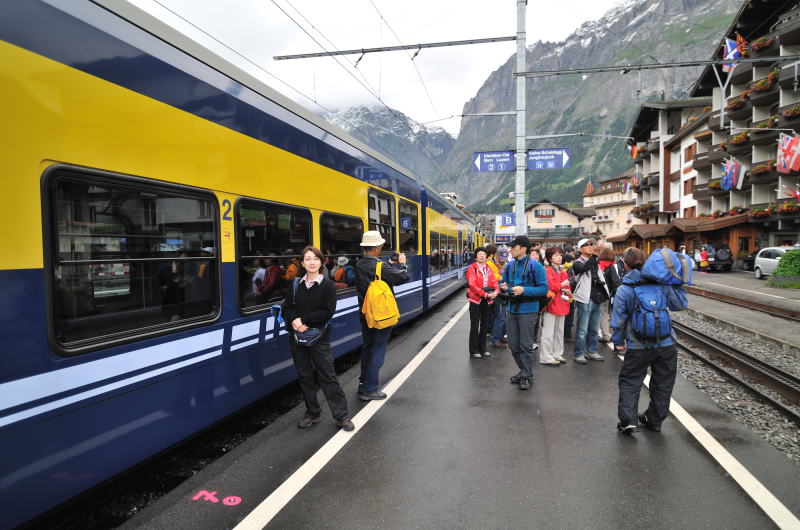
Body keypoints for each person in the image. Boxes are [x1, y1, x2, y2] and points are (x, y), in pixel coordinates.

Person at [612, 247, 688, 434]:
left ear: (625, 264)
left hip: (638, 345)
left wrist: (618, 340)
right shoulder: (662, 284)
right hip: (667, 343)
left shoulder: (625, 289)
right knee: (663, 382)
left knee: (631, 380)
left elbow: (619, 319)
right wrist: (677, 283)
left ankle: (628, 421)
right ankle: (654, 420)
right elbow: (680, 305)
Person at [282, 246, 354, 432]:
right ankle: (312, 413)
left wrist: (303, 320)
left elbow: (327, 312)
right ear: (302, 263)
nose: (312, 262)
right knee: (305, 376)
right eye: (307, 259)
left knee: (327, 375)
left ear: (321, 262)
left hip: (319, 337)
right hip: (297, 336)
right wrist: (295, 323)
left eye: (315, 258)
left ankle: (341, 416)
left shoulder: (328, 285)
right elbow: (288, 307)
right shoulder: (296, 284)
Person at [355, 231, 409, 400]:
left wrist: (389, 263)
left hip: (365, 314)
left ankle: (363, 383)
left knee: (367, 348)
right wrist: (402, 264)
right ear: (378, 247)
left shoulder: (359, 264)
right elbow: (402, 277)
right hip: (380, 315)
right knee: (378, 350)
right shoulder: (379, 266)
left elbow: (378, 270)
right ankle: (370, 389)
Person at [499, 235, 548, 390]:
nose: (510, 250)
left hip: (529, 310)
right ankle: (525, 371)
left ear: (523, 248)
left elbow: (544, 289)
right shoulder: (510, 265)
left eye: (513, 247)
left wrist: (524, 290)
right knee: (513, 345)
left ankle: (526, 375)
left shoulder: (536, 266)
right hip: (512, 308)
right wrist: (504, 286)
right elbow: (502, 282)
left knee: (526, 345)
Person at [571, 238, 610, 364]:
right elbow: (584, 268)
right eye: (586, 245)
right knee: (582, 330)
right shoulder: (577, 262)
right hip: (585, 299)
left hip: (597, 297)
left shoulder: (595, 261)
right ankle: (579, 353)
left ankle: (592, 351)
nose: (590, 246)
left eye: (591, 244)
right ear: (580, 249)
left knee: (594, 329)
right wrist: (594, 255)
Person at [539, 247, 570, 366]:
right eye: (556, 255)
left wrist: (567, 290)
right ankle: (546, 357)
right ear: (549, 258)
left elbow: (566, 287)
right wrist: (563, 285)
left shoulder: (562, 271)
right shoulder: (547, 270)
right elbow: (552, 285)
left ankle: (557, 353)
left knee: (559, 331)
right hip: (551, 304)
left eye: (560, 255)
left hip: (561, 302)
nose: (559, 257)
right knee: (548, 332)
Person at [466, 247, 499, 358]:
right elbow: (472, 285)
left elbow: (494, 282)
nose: (482, 256)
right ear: (475, 257)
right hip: (475, 300)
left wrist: (496, 292)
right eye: (480, 254)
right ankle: (474, 350)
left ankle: (483, 348)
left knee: (485, 325)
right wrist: (485, 294)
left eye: (484, 254)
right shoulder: (472, 268)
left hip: (488, 300)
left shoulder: (489, 268)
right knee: (475, 325)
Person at [597, 247, 620, 344]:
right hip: (608, 294)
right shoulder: (612, 267)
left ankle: (602, 335)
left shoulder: (598, 266)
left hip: (598, 294)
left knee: (600, 315)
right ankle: (610, 335)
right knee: (608, 315)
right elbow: (615, 282)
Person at [487, 245, 507, 348]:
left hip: (501, 292)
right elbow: (492, 277)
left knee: (501, 316)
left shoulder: (502, 264)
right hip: (495, 293)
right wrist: (501, 278)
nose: (502, 261)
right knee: (499, 317)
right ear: (496, 255)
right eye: (501, 259)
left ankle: (500, 336)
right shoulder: (490, 263)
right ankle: (495, 339)